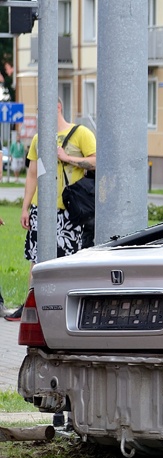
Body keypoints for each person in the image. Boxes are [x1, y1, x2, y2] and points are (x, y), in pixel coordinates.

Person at [6, 99, 96, 323]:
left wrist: (68, 158)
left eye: (42, 111)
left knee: (69, 260)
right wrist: (25, 207)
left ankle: (67, 307)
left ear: (57, 107)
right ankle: (30, 307)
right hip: (41, 209)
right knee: (36, 260)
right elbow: (31, 174)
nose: (38, 116)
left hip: (69, 211)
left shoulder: (80, 133)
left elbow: (96, 161)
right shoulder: (38, 138)